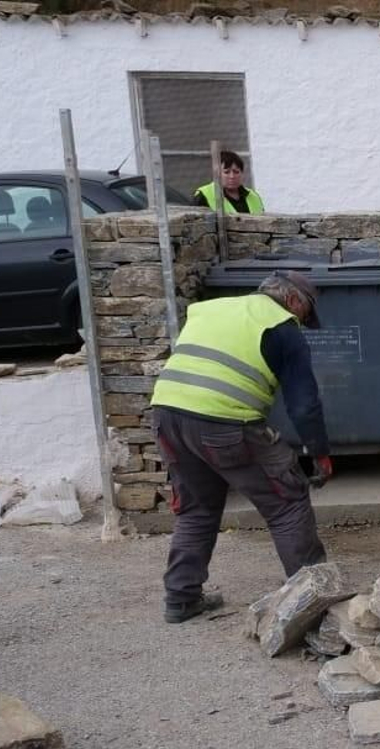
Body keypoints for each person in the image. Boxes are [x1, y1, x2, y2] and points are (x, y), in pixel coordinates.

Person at [150, 271, 333, 623]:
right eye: (306, 313)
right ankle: (314, 603)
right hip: (225, 422)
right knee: (287, 502)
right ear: (294, 300)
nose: (303, 321)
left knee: (196, 509)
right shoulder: (283, 326)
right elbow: (304, 404)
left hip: (166, 415)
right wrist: (319, 452)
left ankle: (181, 598)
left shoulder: (212, 309)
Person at [193, 150, 265, 214]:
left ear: (242, 173)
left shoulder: (253, 196)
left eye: (236, 172)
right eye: (226, 172)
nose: (232, 176)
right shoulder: (204, 195)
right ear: (216, 173)